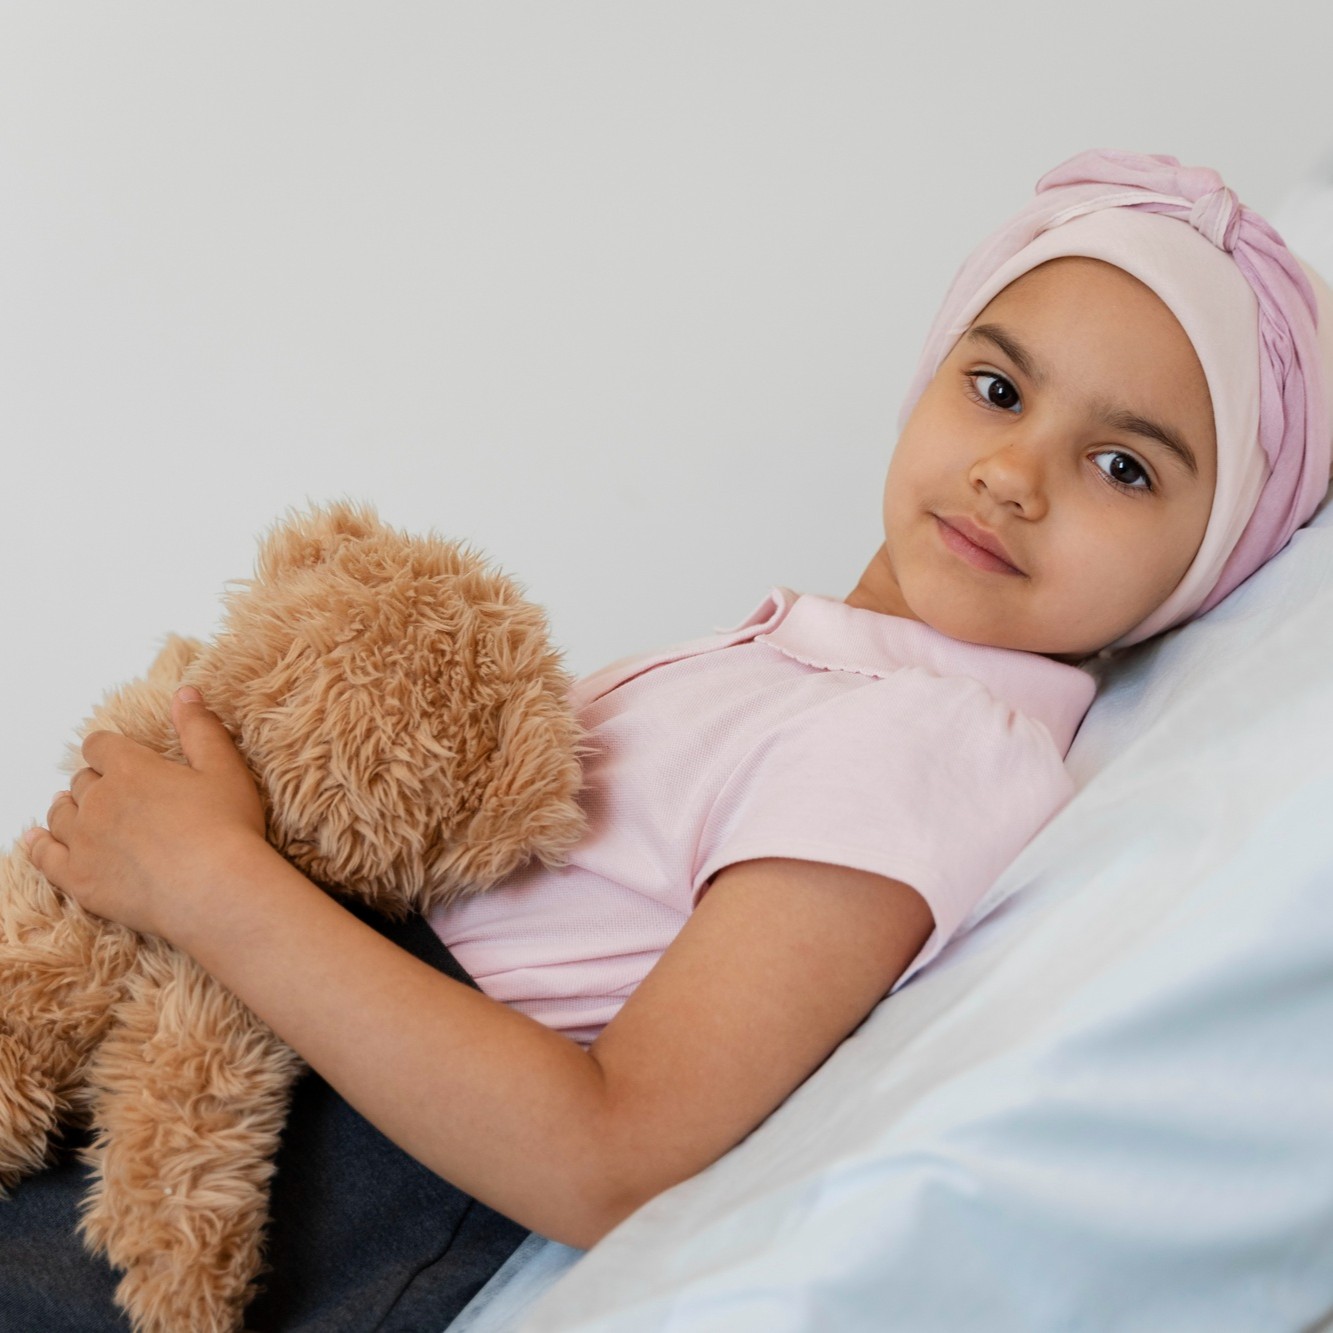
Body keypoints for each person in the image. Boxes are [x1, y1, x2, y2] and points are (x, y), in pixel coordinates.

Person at [12, 148, 1333, 1330]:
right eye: (994, 387)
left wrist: (216, 883)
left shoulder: (927, 741)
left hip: (322, 1174)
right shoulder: (821, 670)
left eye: (1125, 467)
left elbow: (615, 1154)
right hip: (236, 1066)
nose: (1013, 472)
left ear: (1206, 564)